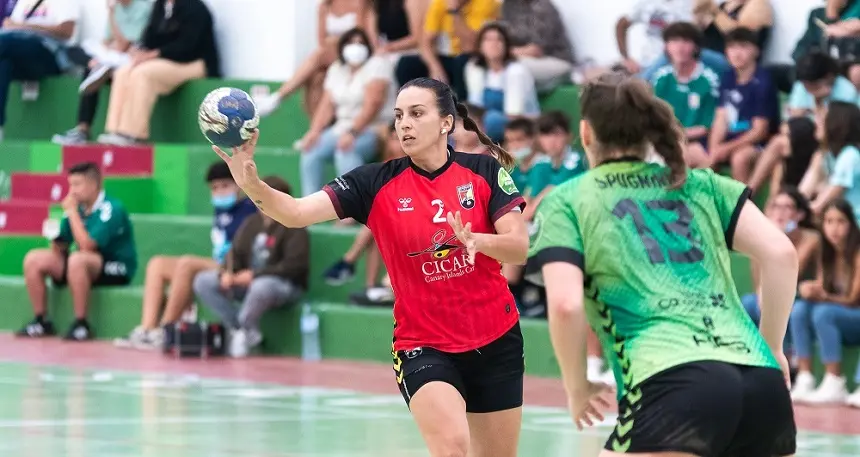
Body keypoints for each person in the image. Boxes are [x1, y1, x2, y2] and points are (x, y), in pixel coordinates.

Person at [214, 77, 529, 457]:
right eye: (398, 116)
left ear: (446, 122)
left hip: (496, 338)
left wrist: (480, 241)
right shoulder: (373, 183)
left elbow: (519, 248)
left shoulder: (484, 172)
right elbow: (295, 213)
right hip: (423, 345)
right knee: (452, 447)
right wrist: (251, 183)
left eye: (416, 113)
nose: (404, 124)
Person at [524, 73, 797, 457]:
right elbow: (782, 254)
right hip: (761, 384)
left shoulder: (569, 201)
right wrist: (772, 348)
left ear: (585, 133)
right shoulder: (702, 183)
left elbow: (566, 305)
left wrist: (577, 387)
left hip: (672, 381)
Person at [113, 161, 257, 350]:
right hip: (218, 263)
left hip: (234, 267)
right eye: (214, 188)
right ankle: (147, 329)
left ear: (238, 185)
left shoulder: (250, 210)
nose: (220, 192)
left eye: (225, 186)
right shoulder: (220, 210)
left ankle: (166, 331)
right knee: (157, 264)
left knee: (187, 264)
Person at [17, 162, 137, 341]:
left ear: (94, 185)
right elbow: (64, 245)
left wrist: (72, 212)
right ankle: (41, 321)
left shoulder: (111, 209)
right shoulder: (77, 207)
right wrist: (56, 242)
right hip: (84, 264)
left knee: (78, 260)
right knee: (33, 259)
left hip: (115, 267)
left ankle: (81, 324)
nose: (72, 191)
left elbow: (88, 245)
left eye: (77, 185)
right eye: (70, 185)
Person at [194, 176, 309, 358]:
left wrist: (255, 275)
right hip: (247, 281)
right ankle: (240, 329)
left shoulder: (295, 225)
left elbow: (294, 266)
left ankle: (244, 330)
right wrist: (227, 273)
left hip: (283, 285)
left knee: (261, 286)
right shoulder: (252, 222)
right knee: (204, 281)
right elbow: (235, 254)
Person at [789, 199, 860, 405]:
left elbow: (855, 299)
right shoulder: (827, 251)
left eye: (840, 222)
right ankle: (805, 378)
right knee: (800, 309)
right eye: (829, 221)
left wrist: (824, 297)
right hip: (841, 314)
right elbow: (824, 286)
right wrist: (809, 289)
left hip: (854, 315)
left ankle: (835, 380)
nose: (834, 228)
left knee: (823, 312)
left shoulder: (857, 252)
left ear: (851, 225)